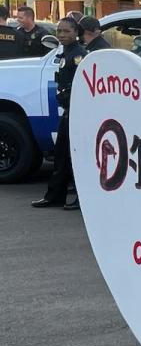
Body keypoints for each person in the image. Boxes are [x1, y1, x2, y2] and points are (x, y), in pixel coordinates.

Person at [32, 18, 87, 210]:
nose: (62, 35)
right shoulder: (67, 53)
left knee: (76, 157)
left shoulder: (79, 54)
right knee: (61, 154)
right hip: (68, 111)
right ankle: (55, 195)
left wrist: (68, 98)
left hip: (77, 112)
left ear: (76, 33)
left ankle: (82, 199)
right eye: (59, 31)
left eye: (66, 31)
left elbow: (81, 84)